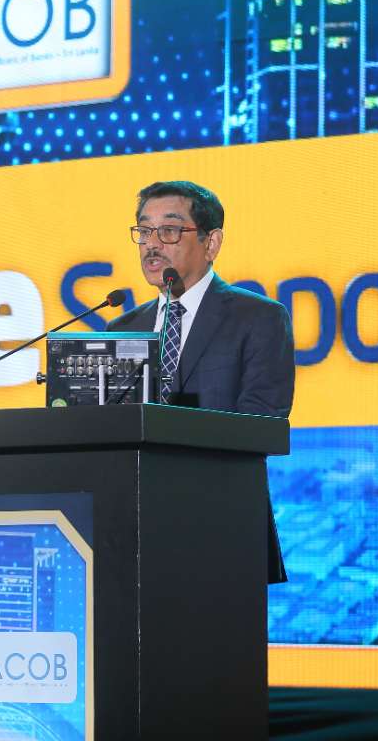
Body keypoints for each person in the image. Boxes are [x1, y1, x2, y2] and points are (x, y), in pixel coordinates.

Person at [106, 180, 294, 583]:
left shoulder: (259, 318)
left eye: (170, 230)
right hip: (131, 538)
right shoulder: (122, 329)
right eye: (144, 231)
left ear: (212, 243)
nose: (152, 244)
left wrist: (172, 426)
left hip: (223, 529)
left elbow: (263, 420)